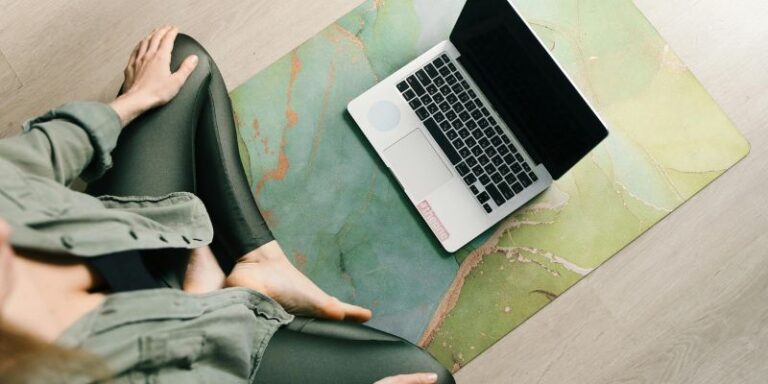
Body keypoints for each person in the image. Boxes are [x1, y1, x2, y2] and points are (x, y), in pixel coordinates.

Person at [0, 26, 454, 384]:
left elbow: (22, 166)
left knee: (182, 59)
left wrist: (134, 101)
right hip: (188, 353)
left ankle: (261, 259)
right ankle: (235, 289)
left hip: (128, 248)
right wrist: (198, 304)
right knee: (432, 378)